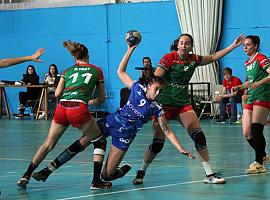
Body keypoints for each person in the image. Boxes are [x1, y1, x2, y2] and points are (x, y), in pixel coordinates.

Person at [30, 38, 195, 187]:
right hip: (112, 121)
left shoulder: (156, 108)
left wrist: (180, 148)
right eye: (156, 89)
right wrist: (130, 49)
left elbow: (167, 130)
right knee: (82, 143)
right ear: (149, 85)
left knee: (107, 175)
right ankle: (47, 171)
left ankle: (121, 170)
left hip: (125, 135)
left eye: (161, 91)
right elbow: (121, 71)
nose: (158, 93)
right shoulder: (137, 88)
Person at [133, 33, 244, 185]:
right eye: (181, 43)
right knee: (158, 143)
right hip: (163, 105)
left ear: (191, 47)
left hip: (182, 104)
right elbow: (156, 79)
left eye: (187, 43)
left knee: (199, 136)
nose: (184, 45)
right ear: (177, 45)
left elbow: (213, 57)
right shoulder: (169, 58)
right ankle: (141, 171)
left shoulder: (194, 60)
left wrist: (233, 45)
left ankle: (209, 174)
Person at [17, 40, 109, 189]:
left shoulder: (67, 71)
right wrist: (90, 101)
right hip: (78, 108)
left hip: (62, 107)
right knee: (100, 141)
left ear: (74, 58)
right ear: (88, 56)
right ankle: (96, 182)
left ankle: (25, 175)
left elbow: (58, 93)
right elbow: (102, 98)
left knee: (48, 144)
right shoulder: (96, 70)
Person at [233, 35, 270, 174]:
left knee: (256, 128)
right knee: (247, 133)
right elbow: (250, 81)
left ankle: (259, 163)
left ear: (255, 46)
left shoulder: (261, 58)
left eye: (248, 44)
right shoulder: (247, 63)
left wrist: (258, 84)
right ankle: (263, 155)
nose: (245, 47)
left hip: (263, 96)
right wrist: (240, 87)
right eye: (244, 45)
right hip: (251, 97)